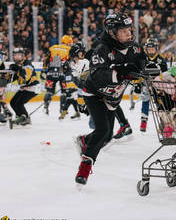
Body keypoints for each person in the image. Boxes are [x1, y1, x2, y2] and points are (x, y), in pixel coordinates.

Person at [74, 13, 146, 186]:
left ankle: (84, 140)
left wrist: (144, 73)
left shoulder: (135, 47)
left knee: (106, 136)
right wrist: (122, 73)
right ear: (112, 32)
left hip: (112, 97)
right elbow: (99, 75)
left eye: (130, 29)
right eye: (123, 31)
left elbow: (141, 62)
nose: (129, 33)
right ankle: (84, 168)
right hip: (95, 94)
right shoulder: (102, 49)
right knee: (102, 130)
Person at [140, 37, 167, 132]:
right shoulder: (144, 58)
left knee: (159, 102)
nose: (151, 51)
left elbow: (165, 72)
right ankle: (144, 120)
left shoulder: (160, 59)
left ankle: (163, 121)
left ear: (156, 49)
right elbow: (140, 71)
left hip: (158, 84)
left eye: (152, 49)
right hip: (146, 83)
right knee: (145, 99)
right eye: (149, 49)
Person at [41, 35, 73, 115]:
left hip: (51, 70)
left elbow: (46, 59)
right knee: (64, 92)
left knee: (49, 91)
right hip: (62, 71)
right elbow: (70, 62)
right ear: (68, 42)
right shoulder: (69, 49)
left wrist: (44, 70)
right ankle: (62, 108)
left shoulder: (53, 47)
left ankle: (46, 106)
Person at [8, 47, 40, 125]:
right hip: (24, 88)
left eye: (19, 55)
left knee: (19, 103)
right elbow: (12, 79)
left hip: (33, 87)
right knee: (12, 102)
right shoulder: (17, 65)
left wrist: (18, 69)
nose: (17, 57)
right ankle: (21, 117)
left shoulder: (27, 63)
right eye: (15, 55)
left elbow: (26, 76)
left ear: (23, 56)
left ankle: (25, 118)